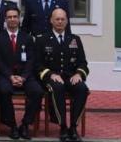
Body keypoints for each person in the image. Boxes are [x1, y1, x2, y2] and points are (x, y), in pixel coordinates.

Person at [35, 8, 89, 142]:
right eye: (57, 19)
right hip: (52, 78)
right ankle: (63, 126)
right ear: (51, 21)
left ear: (66, 21)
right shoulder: (42, 39)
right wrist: (51, 74)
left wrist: (78, 74)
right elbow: (37, 64)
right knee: (58, 87)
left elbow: (83, 63)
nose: (60, 22)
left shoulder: (75, 39)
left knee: (82, 88)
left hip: (70, 77)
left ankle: (73, 126)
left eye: (62, 19)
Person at [0, 7, 43, 140]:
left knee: (37, 91)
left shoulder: (28, 38)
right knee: (4, 90)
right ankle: (12, 125)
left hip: (25, 75)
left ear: (19, 19)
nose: (12, 19)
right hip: (5, 75)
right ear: (5, 19)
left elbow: (31, 60)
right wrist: (10, 76)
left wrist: (24, 77)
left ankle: (25, 124)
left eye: (15, 17)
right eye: (9, 17)